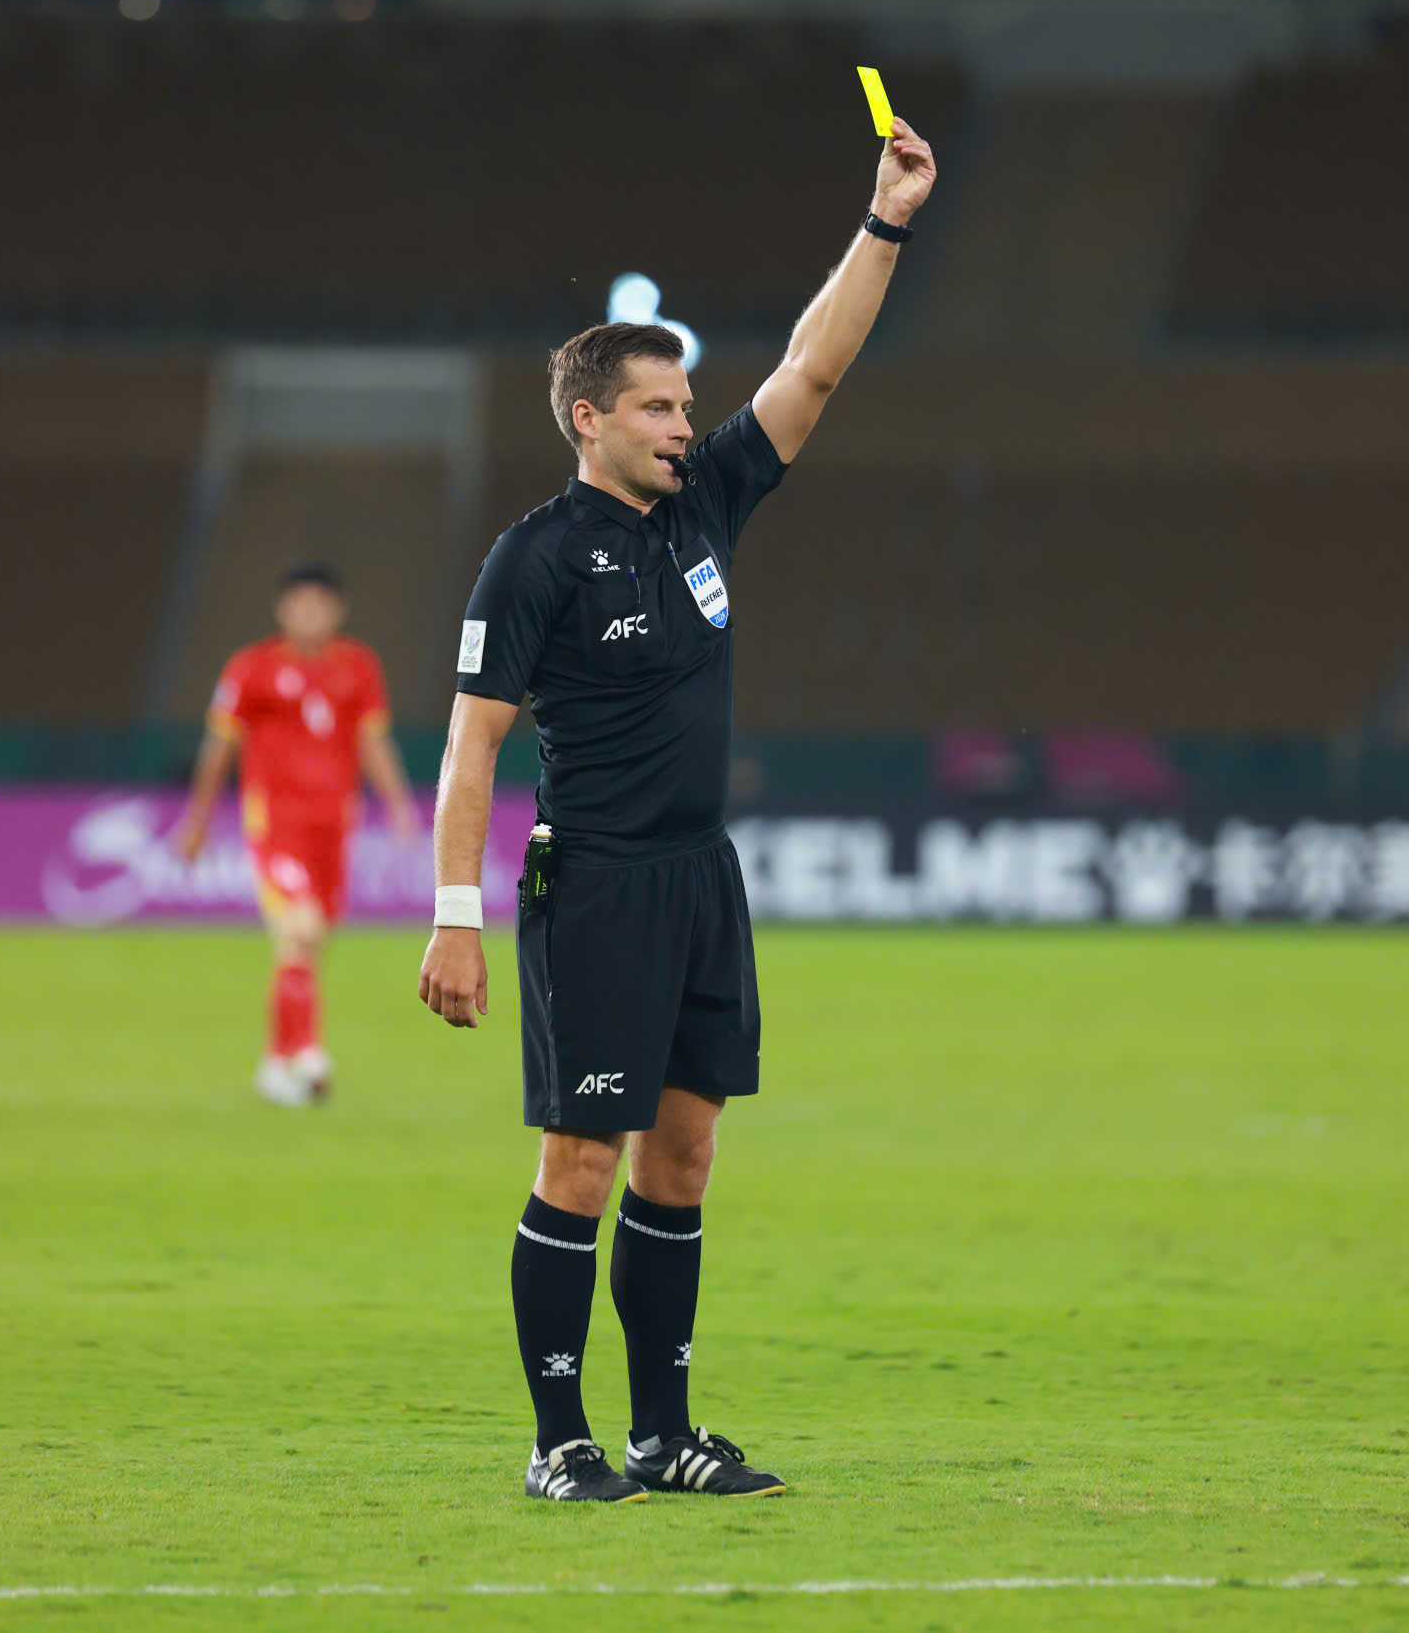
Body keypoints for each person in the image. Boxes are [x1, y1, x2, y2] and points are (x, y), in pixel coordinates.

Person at [418, 118, 938, 1501]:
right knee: (582, 1159)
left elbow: (814, 366)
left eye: (685, 405)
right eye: (656, 408)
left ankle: (663, 1434)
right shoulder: (531, 561)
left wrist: (884, 221)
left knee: (687, 1152)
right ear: (589, 420)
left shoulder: (704, 504)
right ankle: (559, 1442)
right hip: (592, 885)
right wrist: (454, 916)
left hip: (702, 880)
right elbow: (470, 749)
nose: (682, 426)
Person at [178, 563, 416, 1107]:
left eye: (320, 604)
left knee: (304, 945)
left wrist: (398, 802)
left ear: (338, 610)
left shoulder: (358, 667)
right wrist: (198, 820)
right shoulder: (252, 668)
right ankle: (307, 1052)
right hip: (276, 825)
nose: (310, 614)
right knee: (301, 927)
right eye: (300, 604)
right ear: (282, 609)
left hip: (334, 827)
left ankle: (274, 1065)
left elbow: (373, 741)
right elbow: (220, 747)